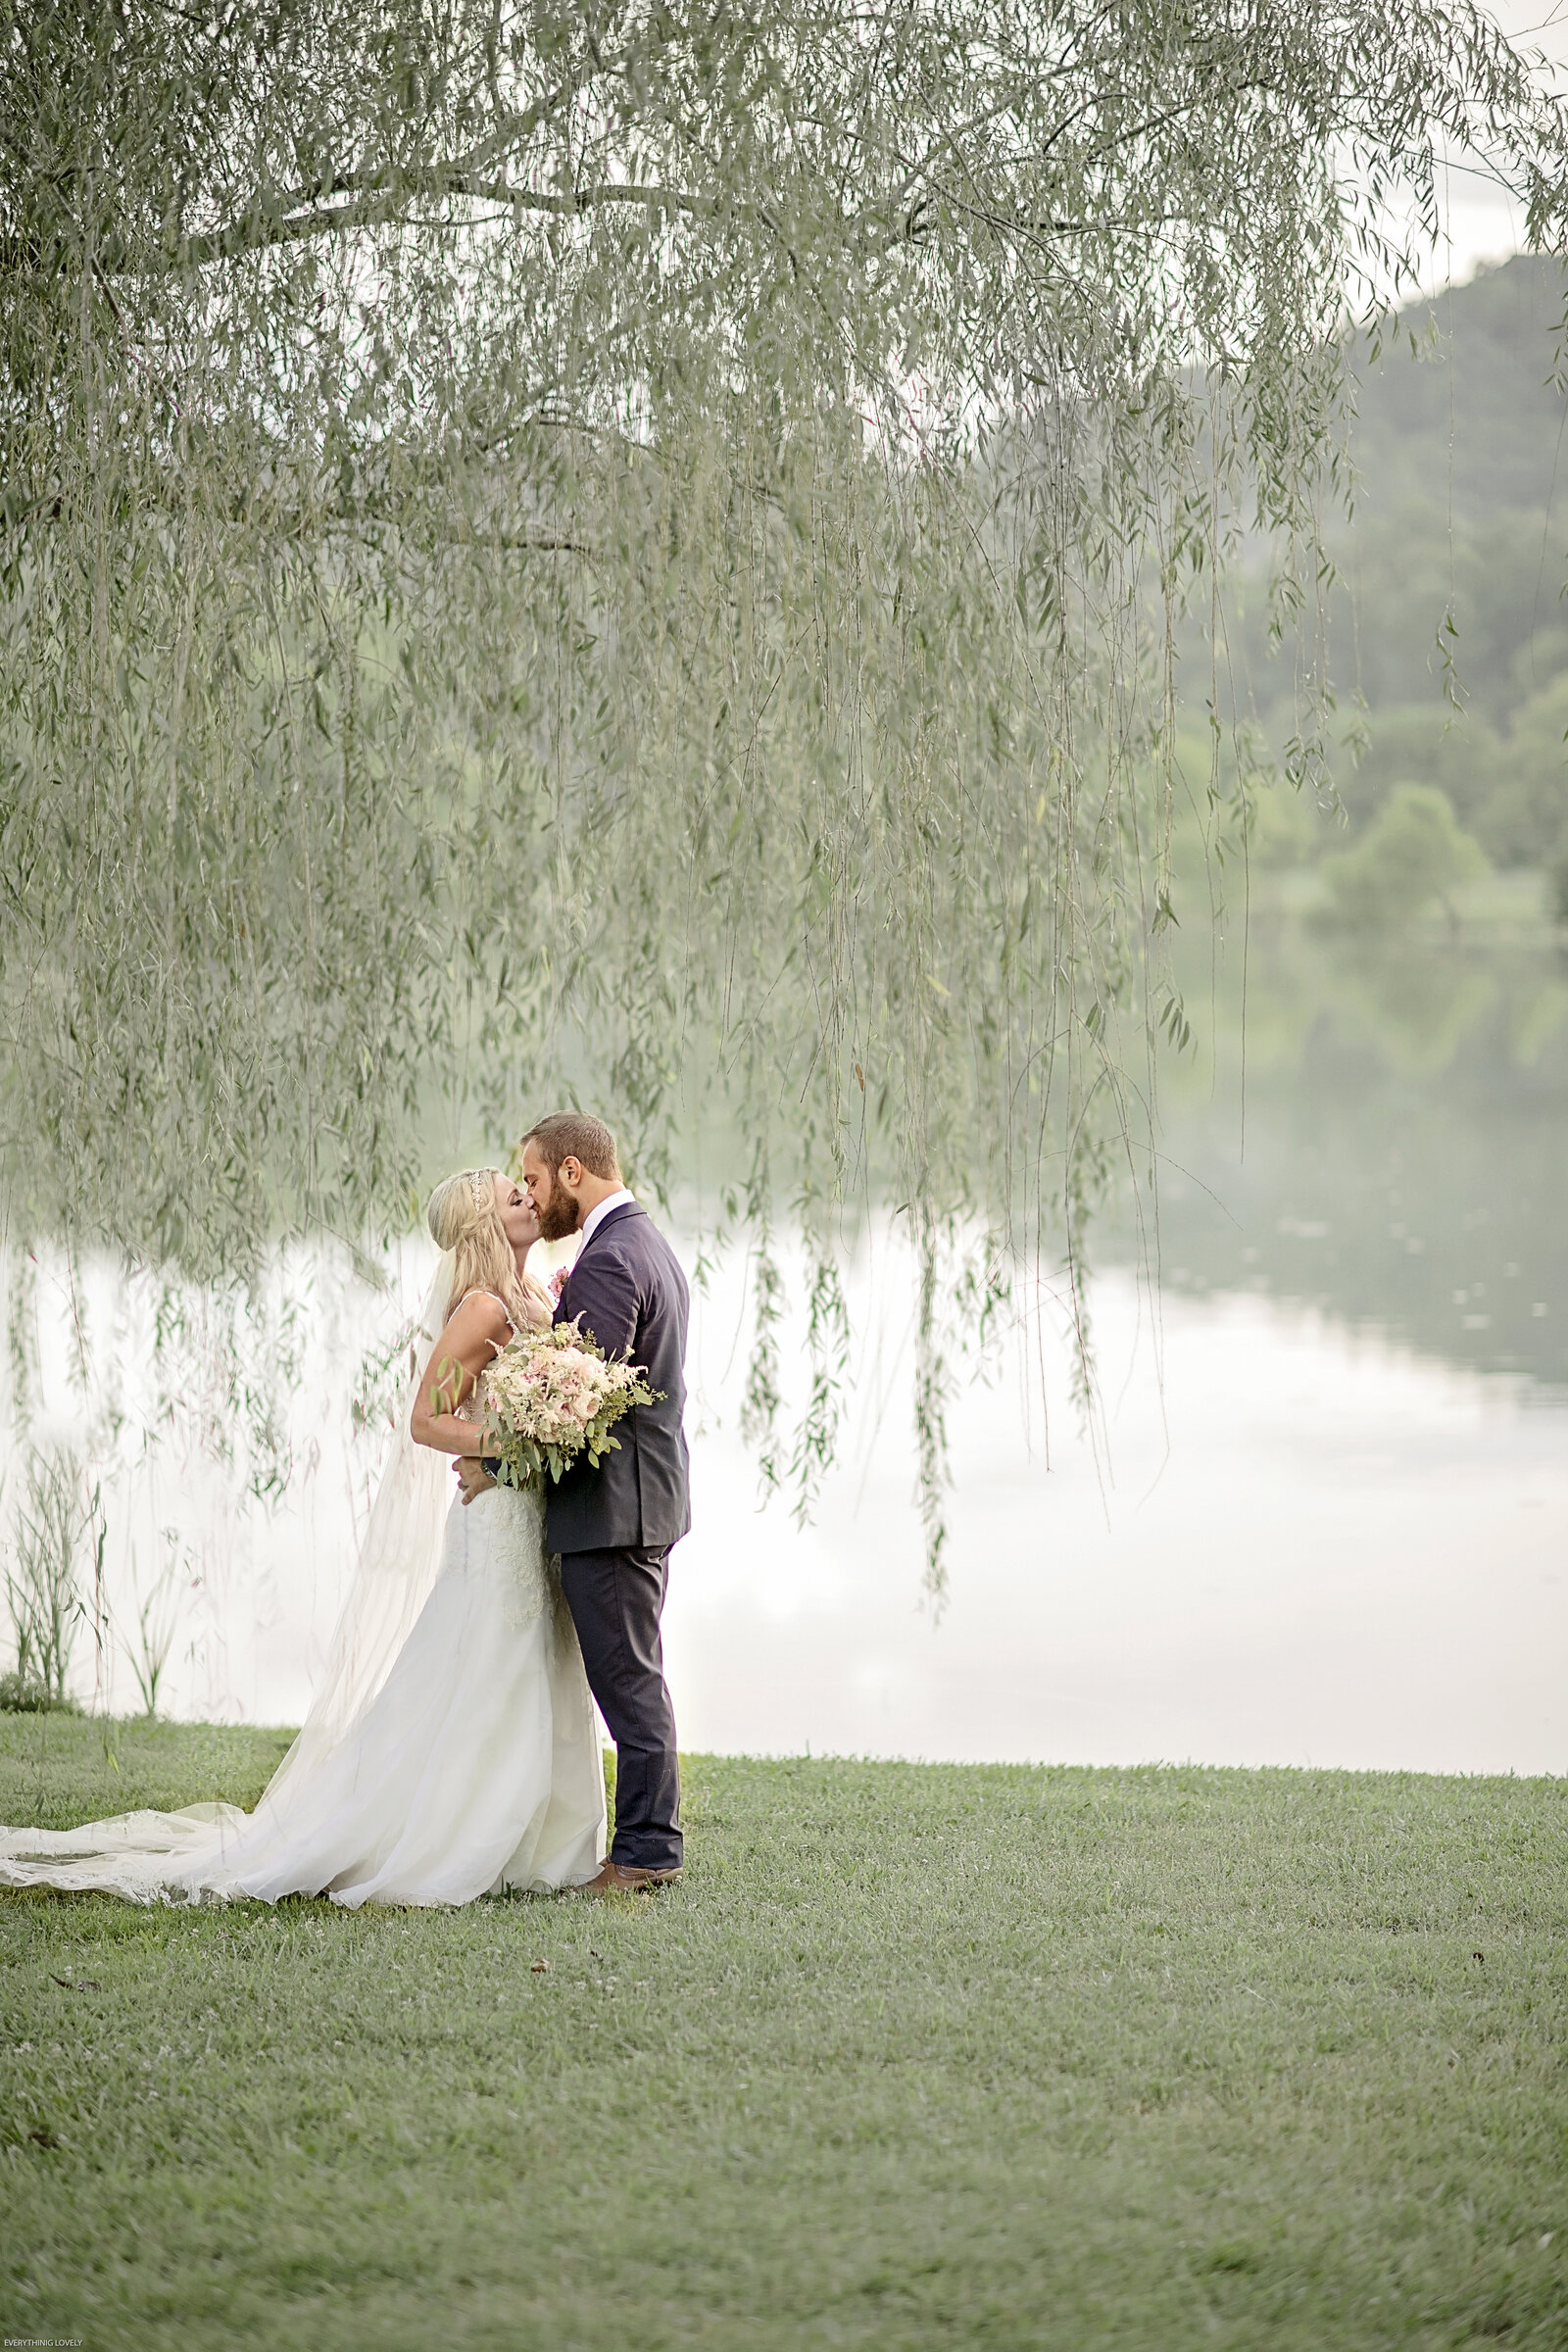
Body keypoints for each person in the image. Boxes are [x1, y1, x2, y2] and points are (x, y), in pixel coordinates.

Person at [0, 1170, 605, 1906]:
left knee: (538, 1664)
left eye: (524, 1189)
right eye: (511, 1196)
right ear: (482, 1225)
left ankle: (544, 1841)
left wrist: (548, 1431)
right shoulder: (478, 1309)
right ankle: (462, 1838)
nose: (528, 1198)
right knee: (491, 1669)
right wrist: (508, 1446)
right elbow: (426, 1419)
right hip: (496, 1519)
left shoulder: (536, 1299)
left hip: (530, 1514)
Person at [459, 1110, 689, 1893]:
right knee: (634, 1677)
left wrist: (500, 1469)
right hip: (638, 1501)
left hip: (614, 1509)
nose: (528, 1193)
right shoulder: (641, 1243)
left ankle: (646, 1855)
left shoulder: (610, 1260)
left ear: (570, 1173)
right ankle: (643, 1847)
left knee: (627, 1684)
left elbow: (573, 1404)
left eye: (531, 1178)